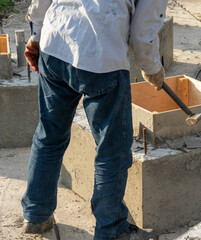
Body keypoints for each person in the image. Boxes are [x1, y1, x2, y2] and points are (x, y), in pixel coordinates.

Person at [22, 0, 168, 239]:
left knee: (49, 134)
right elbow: (142, 34)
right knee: (112, 150)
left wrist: (37, 34)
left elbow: (41, 3)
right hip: (101, 56)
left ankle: (36, 214)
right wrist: (152, 67)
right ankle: (112, 228)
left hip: (56, 43)